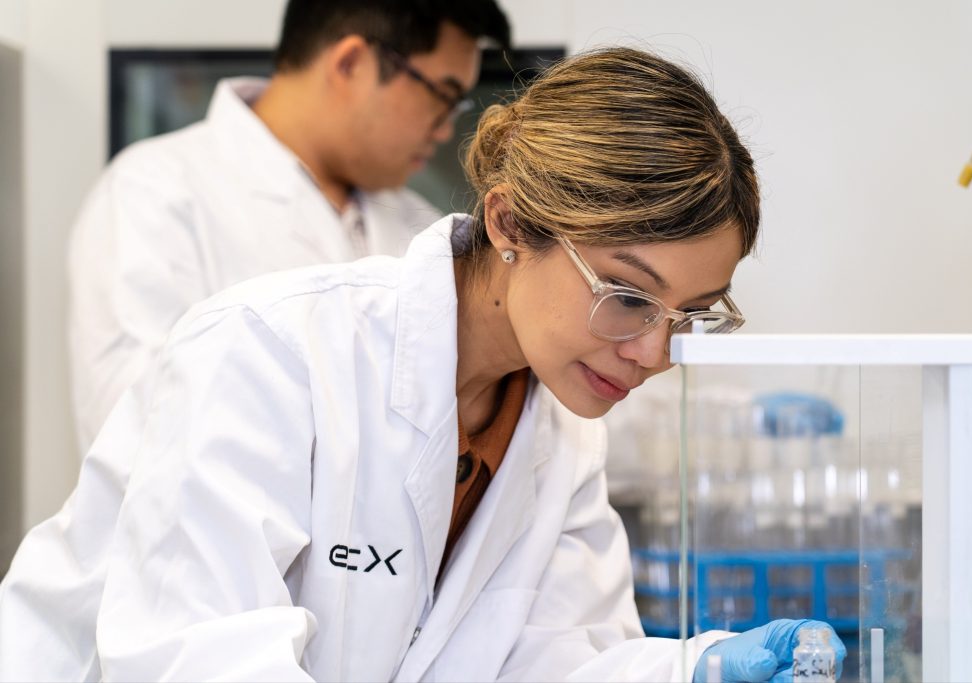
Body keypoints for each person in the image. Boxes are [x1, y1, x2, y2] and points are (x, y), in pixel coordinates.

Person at [1, 47, 845, 682]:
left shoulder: (559, 427)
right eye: (628, 297)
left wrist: (685, 669)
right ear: (511, 224)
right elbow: (196, 658)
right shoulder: (268, 353)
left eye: (691, 316)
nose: (655, 353)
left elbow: (547, 660)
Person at [67, 0, 511, 454]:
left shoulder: (419, 225)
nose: (443, 131)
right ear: (351, 63)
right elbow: (133, 425)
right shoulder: (154, 191)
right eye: (442, 95)